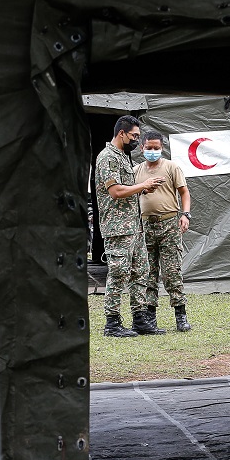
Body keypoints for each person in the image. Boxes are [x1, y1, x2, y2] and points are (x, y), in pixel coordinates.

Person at [93, 115, 167, 337]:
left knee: (140, 271)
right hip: (118, 227)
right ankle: (112, 323)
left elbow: (127, 189)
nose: (136, 140)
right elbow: (115, 192)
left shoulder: (124, 158)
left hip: (134, 226)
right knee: (118, 273)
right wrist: (142, 184)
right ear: (121, 133)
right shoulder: (108, 158)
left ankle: (139, 319)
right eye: (134, 136)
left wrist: (144, 189)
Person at [134, 129, 194, 332]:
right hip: (145, 226)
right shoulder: (136, 171)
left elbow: (184, 193)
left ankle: (180, 315)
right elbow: (131, 195)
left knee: (171, 272)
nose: (152, 151)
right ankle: (150, 316)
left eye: (156, 148)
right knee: (148, 273)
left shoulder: (172, 167)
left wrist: (185, 215)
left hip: (169, 224)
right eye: (149, 148)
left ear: (162, 148)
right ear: (142, 148)